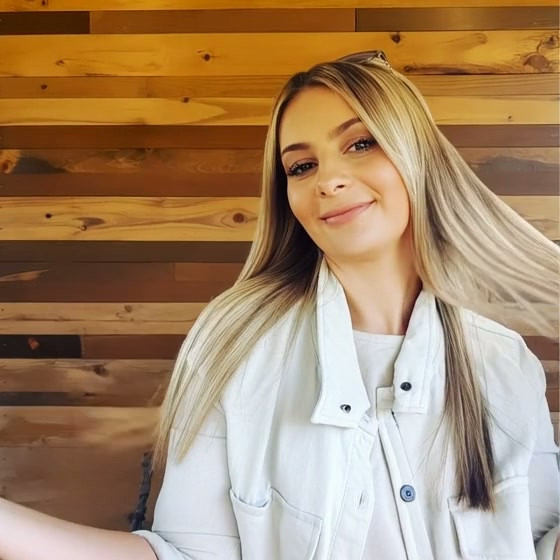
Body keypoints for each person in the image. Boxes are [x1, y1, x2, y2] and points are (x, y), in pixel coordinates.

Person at [0, 51, 558, 560]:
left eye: (360, 144)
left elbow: (538, 544)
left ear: (418, 157)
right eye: (301, 166)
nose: (329, 180)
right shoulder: (235, 344)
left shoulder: (505, 362)